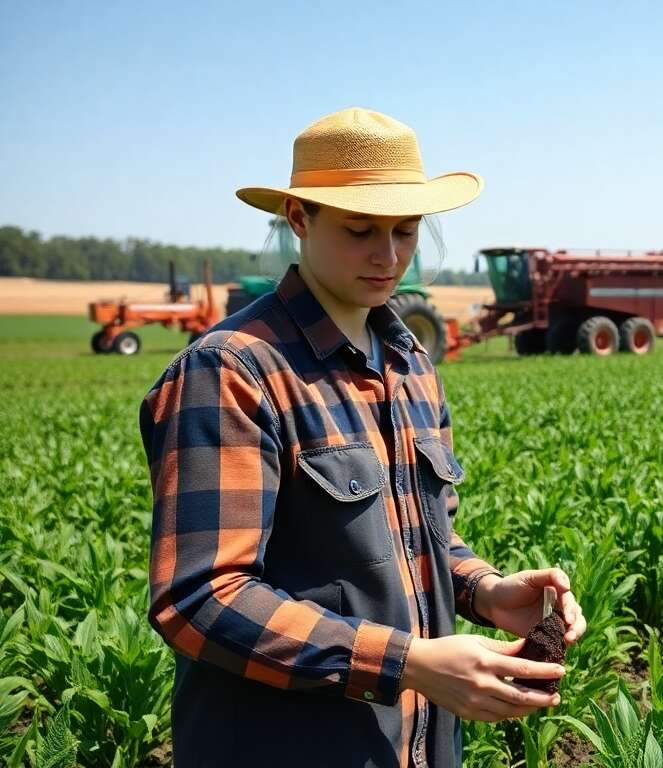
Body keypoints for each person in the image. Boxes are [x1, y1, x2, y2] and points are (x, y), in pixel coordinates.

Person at [138, 107, 586, 767]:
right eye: (359, 230)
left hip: (415, 746)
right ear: (299, 219)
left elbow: (425, 538)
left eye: (406, 231)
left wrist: (486, 591)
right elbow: (201, 597)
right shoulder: (233, 371)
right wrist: (409, 663)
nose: (389, 255)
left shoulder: (410, 365)